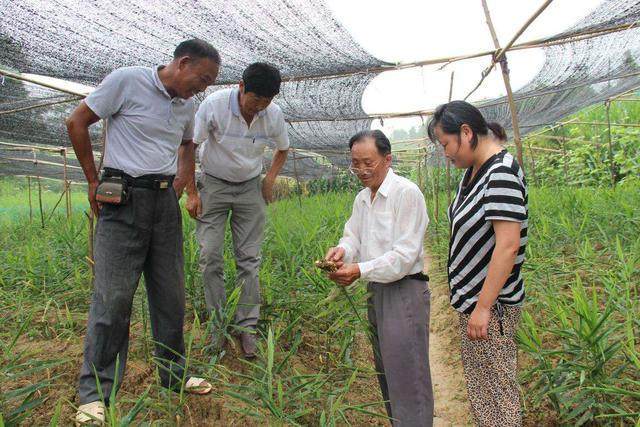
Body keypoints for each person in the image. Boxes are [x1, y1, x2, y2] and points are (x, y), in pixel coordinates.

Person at [66, 39, 220, 425]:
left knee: (170, 294)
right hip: (123, 199)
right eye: (201, 79)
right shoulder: (127, 81)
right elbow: (77, 121)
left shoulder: (187, 105)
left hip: (164, 203)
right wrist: (91, 180)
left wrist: (185, 177)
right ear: (182, 63)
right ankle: (95, 392)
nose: (201, 88)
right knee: (113, 299)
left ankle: (174, 374)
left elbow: (187, 144)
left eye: (207, 84)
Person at [427, 100, 528, 426]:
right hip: (473, 305)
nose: (445, 153)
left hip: (492, 308)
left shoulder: (500, 174)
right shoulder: (474, 171)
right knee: (482, 389)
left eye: (446, 144)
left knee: (500, 392)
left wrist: (483, 307)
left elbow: (508, 245)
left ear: (466, 133)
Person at [324, 130, 434, 426]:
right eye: (355, 164)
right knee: (387, 372)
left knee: (409, 377)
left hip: (404, 292)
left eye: (368, 163)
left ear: (387, 159)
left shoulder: (406, 193)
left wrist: (360, 270)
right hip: (377, 291)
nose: (361, 170)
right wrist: (341, 253)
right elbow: (353, 238)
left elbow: (403, 256)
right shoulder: (363, 199)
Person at [189, 62, 289, 358]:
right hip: (214, 185)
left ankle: (246, 328)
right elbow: (191, 145)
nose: (258, 107)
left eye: (266, 101)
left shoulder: (272, 115)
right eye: (255, 99)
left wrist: (269, 178)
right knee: (210, 256)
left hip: (249, 187)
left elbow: (283, 148)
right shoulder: (214, 105)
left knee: (249, 259)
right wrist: (191, 192)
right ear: (241, 87)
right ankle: (218, 328)